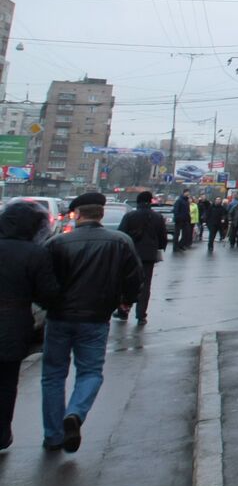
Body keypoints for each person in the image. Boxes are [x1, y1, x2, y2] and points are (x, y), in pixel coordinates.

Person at [42, 193, 142, 453]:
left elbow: (43, 280)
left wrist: (48, 304)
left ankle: (53, 436)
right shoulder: (120, 242)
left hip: (59, 317)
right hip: (96, 318)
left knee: (53, 375)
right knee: (90, 372)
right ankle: (75, 413)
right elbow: (134, 276)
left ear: (77, 215)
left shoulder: (57, 243)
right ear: (101, 215)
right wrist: (126, 301)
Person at [0, 201, 61, 452]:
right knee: (5, 383)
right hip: (12, 325)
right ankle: (1, 433)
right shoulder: (35, 253)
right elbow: (47, 294)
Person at [117, 191, 168, 325]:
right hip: (149, 256)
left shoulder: (130, 216)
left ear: (138, 202)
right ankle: (141, 315)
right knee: (145, 286)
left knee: (126, 282)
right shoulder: (157, 217)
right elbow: (163, 237)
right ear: (150, 201)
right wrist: (159, 248)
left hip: (130, 254)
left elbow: (121, 234)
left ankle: (124, 310)